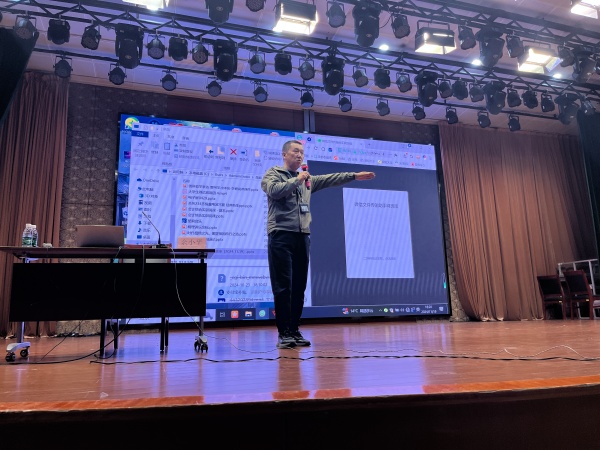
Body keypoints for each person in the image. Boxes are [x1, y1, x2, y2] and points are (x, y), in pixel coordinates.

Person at [261, 139, 376, 349]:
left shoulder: (308, 180)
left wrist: (353, 176)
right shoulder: (273, 173)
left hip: (302, 236)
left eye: (302, 152)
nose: (299, 155)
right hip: (280, 235)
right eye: (295, 151)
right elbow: (274, 191)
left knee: (299, 287)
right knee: (283, 287)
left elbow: (330, 178)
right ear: (285, 154)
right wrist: (297, 180)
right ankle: (284, 333)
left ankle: (294, 331)